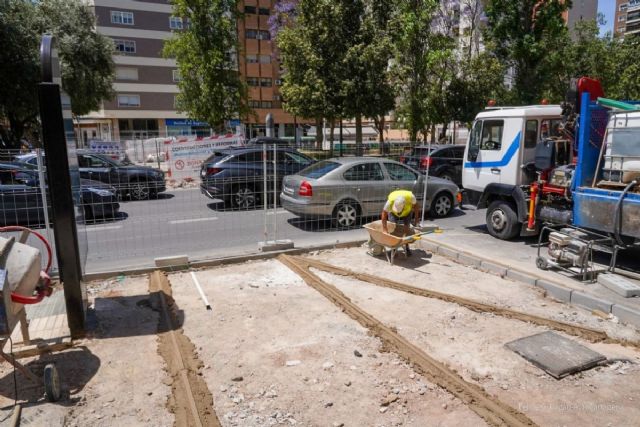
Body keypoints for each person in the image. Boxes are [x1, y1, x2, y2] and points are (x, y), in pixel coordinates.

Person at [381, 189, 420, 255]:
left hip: (407, 212)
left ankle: (406, 247)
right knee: (393, 228)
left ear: (404, 205)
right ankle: (393, 248)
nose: (399, 213)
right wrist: (385, 229)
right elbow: (384, 214)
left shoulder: (411, 197)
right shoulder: (390, 201)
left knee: (406, 228)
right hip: (393, 213)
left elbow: (416, 206)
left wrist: (416, 219)